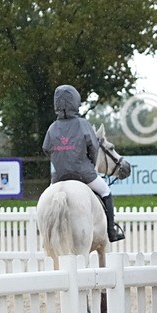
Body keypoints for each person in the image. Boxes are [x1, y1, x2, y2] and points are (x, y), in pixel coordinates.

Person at [41, 84, 125, 242]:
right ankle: (111, 230)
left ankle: (47, 235)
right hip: (84, 174)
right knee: (106, 191)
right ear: (75, 102)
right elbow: (93, 148)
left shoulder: (52, 128)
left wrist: (61, 158)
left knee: (48, 202)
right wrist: (89, 163)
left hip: (59, 176)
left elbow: (46, 149)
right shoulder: (83, 124)